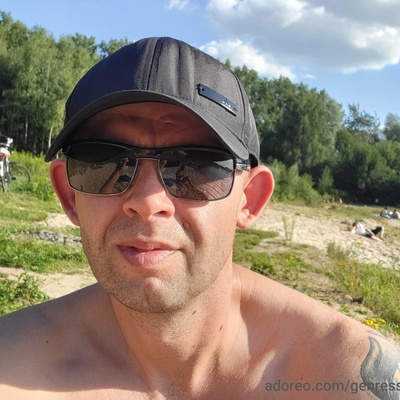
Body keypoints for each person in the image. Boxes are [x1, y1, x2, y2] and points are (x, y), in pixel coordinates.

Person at [0, 37, 399, 399]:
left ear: (250, 199)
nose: (148, 201)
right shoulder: (12, 367)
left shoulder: (349, 375)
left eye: (195, 166)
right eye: (103, 161)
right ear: (69, 195)